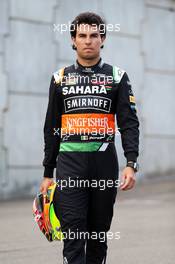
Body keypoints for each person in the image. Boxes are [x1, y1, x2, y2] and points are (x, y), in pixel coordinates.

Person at [40, 12, 139, 264]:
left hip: (104, 166)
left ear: (102, 39)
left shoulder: (117, 77)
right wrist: (47, 173)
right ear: (73, 40)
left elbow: (128, 124)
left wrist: (131, 163)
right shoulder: (60, 79)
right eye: (82, 36)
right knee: (73, 234)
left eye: (94, 35)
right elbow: (51, 127)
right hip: (69, 167)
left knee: (97, 235)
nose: (88, 41)